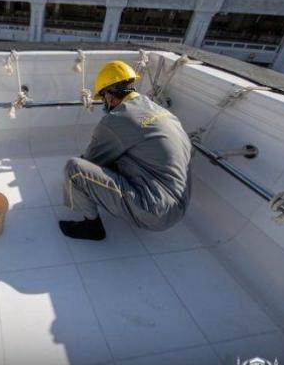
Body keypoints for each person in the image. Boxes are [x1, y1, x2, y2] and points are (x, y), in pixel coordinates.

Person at [60, 60, 192, 240]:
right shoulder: (159, 110)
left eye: (103, 98)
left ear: (110, 95)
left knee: (74, 170)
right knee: (122, 156)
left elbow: (89, 163)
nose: (104, 104)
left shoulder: (117, 118)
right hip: (181, 206)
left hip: (155, 212)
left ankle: (92, 228)